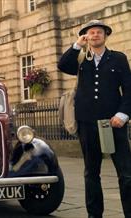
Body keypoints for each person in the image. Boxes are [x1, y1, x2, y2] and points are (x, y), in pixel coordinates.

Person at [58, 20, 131, 218]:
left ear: (105, 36)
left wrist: (123, 114)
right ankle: (94, 215)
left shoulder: (118, 58)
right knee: (91, 173)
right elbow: (62, 65)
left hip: (114, 123)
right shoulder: (81, 59)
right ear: (86, 37)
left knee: (126, 174)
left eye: (99, 32)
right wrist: (76, 46)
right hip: (87, 124)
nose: (95, 35)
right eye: (91, 32)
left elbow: (129, 89)